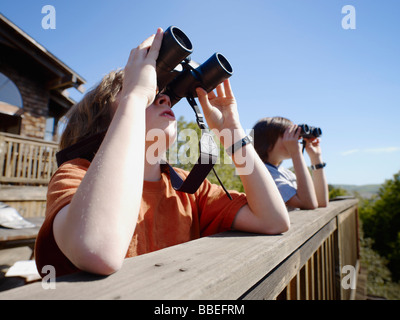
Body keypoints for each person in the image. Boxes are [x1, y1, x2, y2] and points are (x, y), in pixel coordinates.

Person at [35, 28, 290, 277]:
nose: (164, 99)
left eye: (166, 95)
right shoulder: (76, 176)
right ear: (102, 125)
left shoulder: (187, 187)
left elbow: (273, 220)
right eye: (151, 94)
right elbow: (97, 250)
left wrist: (231, 131)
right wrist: (135, 97)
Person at [252, 117, 329, 211]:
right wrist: (296, 153)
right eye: (287, 135)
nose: (294, 140)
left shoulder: (284, 172)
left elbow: (320, 202)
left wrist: (316, 158)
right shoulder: (265, 174)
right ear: (266, 143)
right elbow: (309, 204)